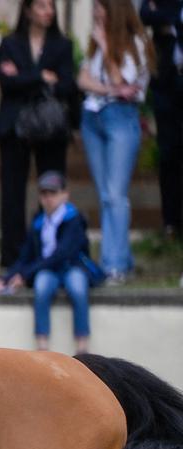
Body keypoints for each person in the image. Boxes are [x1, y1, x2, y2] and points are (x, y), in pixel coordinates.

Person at [0, 0, 76, 268]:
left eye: (51, 6)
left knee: (52, 189)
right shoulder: (9, 43)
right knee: (12, 194)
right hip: (15, 125)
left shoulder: (63, 45)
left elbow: (67, 86)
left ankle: (49, 252)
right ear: (27, 11)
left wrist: (24, 77)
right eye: (41, 6)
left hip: (50, 128)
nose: (48, 11)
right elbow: (6, 83)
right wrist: (41, 76)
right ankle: (13, 257)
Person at [0, 171, 103, 354]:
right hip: (48, 270)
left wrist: (25, 274)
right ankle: (42, 344)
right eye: (44, 194)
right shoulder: (38, 223)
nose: (48, 198)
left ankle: (82, 345)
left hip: (72, 267)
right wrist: (5, 279)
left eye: (53, 193)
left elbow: (61, 254)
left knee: (78, 288)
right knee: (42, 287)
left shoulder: (74, 219)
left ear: (64, 194)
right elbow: (25, 257)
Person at [77, 0, 155, 284]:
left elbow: (124, 80)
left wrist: (107, 49)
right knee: (105, 194)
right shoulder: (95, 43)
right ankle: (122, 258)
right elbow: (84, 80)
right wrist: (111, 88)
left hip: (120, 119)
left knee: (115, 194)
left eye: (101, 8)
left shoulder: (135, 43)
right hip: (93, 117)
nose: (96, 13)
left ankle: (114, 265)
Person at [140, 0, 183, 241]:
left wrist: (166, 16)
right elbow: (144, 13)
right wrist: (176, 15)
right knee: (168, 152)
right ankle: (171, 223)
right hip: (167, 81)